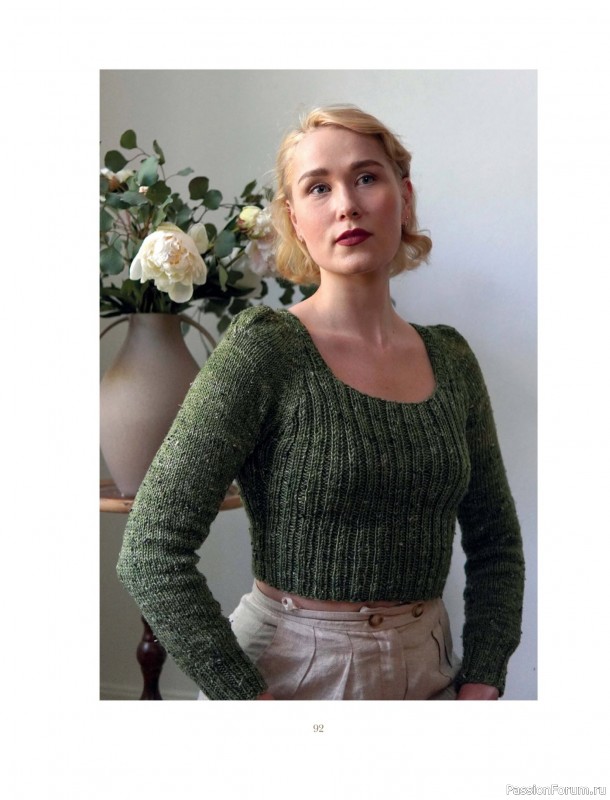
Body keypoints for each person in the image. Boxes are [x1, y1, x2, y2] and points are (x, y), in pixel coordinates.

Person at [117, 105, 525, 701]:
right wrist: (245, 697)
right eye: (318, 188)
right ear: (294, 219)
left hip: (432, 670)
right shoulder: (265, 350)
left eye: (367, 177)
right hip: (291, 675)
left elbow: (497, 545)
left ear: (404, 198)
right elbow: (150, 549)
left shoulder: (452, 358)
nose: (346, 205)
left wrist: (484, 677)